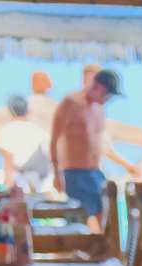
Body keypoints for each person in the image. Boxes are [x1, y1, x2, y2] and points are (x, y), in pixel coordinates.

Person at [50, 68, 123, 229]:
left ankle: (104, 252)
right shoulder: (70, 104)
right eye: (106, 94)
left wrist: (126, 164)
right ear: (96, 86)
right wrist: (57, 173)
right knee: (78, 224)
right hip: (74, 174)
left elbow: (100, 144)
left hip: (96, 173)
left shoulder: (99, 109)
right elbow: (54, 140)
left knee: (108, 221)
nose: (106, 99)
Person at [0, 95, 51, 194]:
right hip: (41, 181)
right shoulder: (38, 130)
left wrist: (7, 187)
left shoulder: (6, 131)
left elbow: (9, 160)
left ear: (10, 111)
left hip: (20, 182)